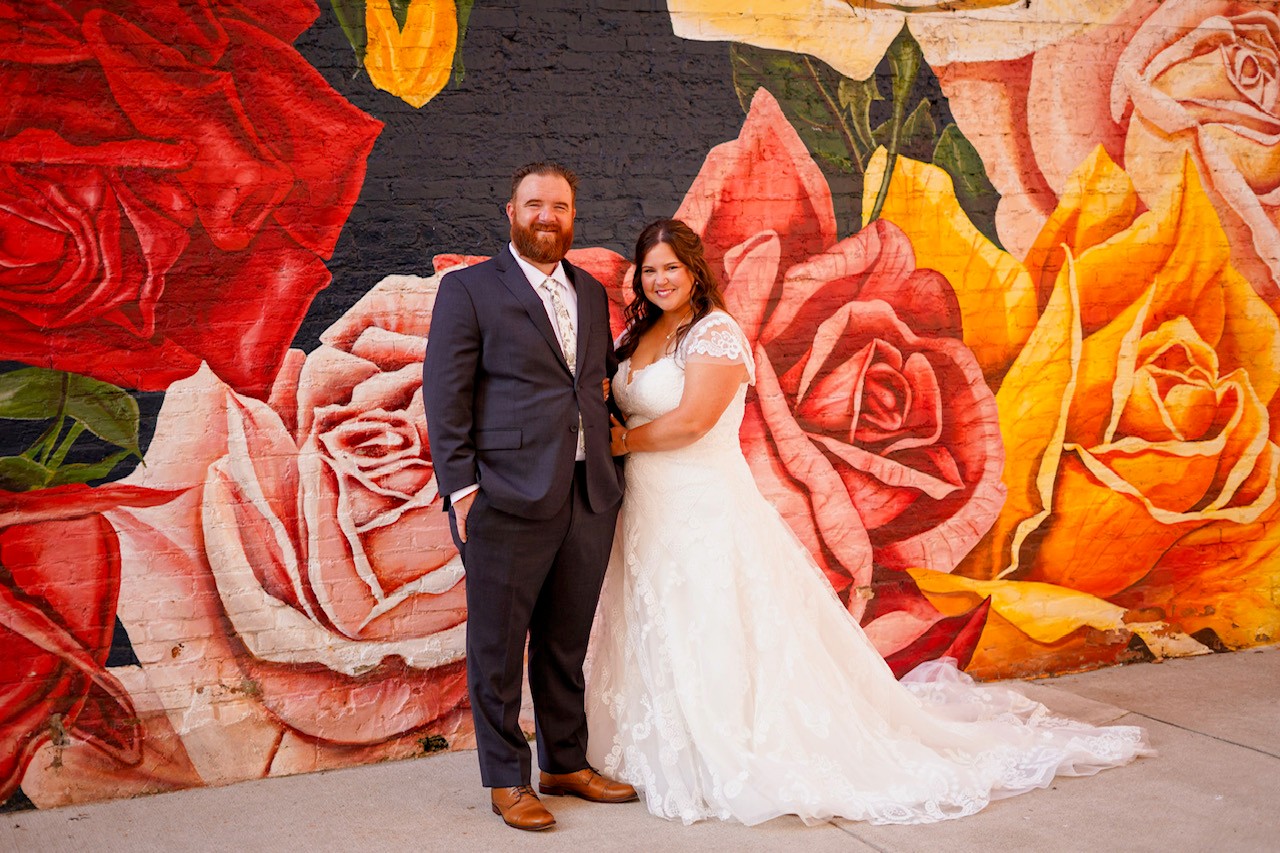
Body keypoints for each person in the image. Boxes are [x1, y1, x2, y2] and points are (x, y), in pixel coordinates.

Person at [584, 219, 1151, 827]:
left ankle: (726, 747)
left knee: (711, 619)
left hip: (703, 507)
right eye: (650, 270)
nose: (660, 279)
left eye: (671, 267)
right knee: (659, 614)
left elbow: (695, 421)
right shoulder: (641, 334)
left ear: (695, 271)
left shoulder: (715, 334)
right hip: (647, 506)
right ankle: (663, 740)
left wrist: (621, 441)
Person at [423, 162, 637, 832]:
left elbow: (593, 382)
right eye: (535, 204)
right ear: (511, 213)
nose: (548, 216)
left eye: (561, 206)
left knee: (565, 640)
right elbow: (445, 394)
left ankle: (564, 762)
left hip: (587, 491)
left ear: (573, 217)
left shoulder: (590, 291)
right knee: (497, 645)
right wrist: (462, 491)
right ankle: (508, 778)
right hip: (504, 496)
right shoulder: (469, 289)